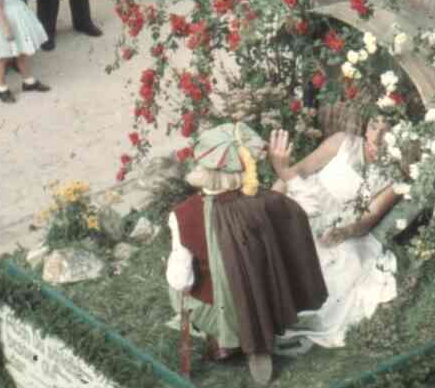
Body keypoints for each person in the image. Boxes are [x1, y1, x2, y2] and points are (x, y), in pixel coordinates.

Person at [165, 122, 327, 386]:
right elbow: (312, 206)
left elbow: (181, 281)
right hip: (266, 303)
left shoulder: (182, 215)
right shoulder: (264, 203)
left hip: (213, 309)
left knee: (178, 279)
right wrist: (283, 169)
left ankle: (222, 337)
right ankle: (259, 345)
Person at [267, 118, 400, 350]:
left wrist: (344, 231)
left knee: (344, 262)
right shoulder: (343, 142)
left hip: (341, 225)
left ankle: (296, 319)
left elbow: (370, 216)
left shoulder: (395, 174)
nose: (376, 137)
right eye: (373, 126)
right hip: (306, 203)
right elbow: (298, 169)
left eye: (385, 131)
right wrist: (269, 201)